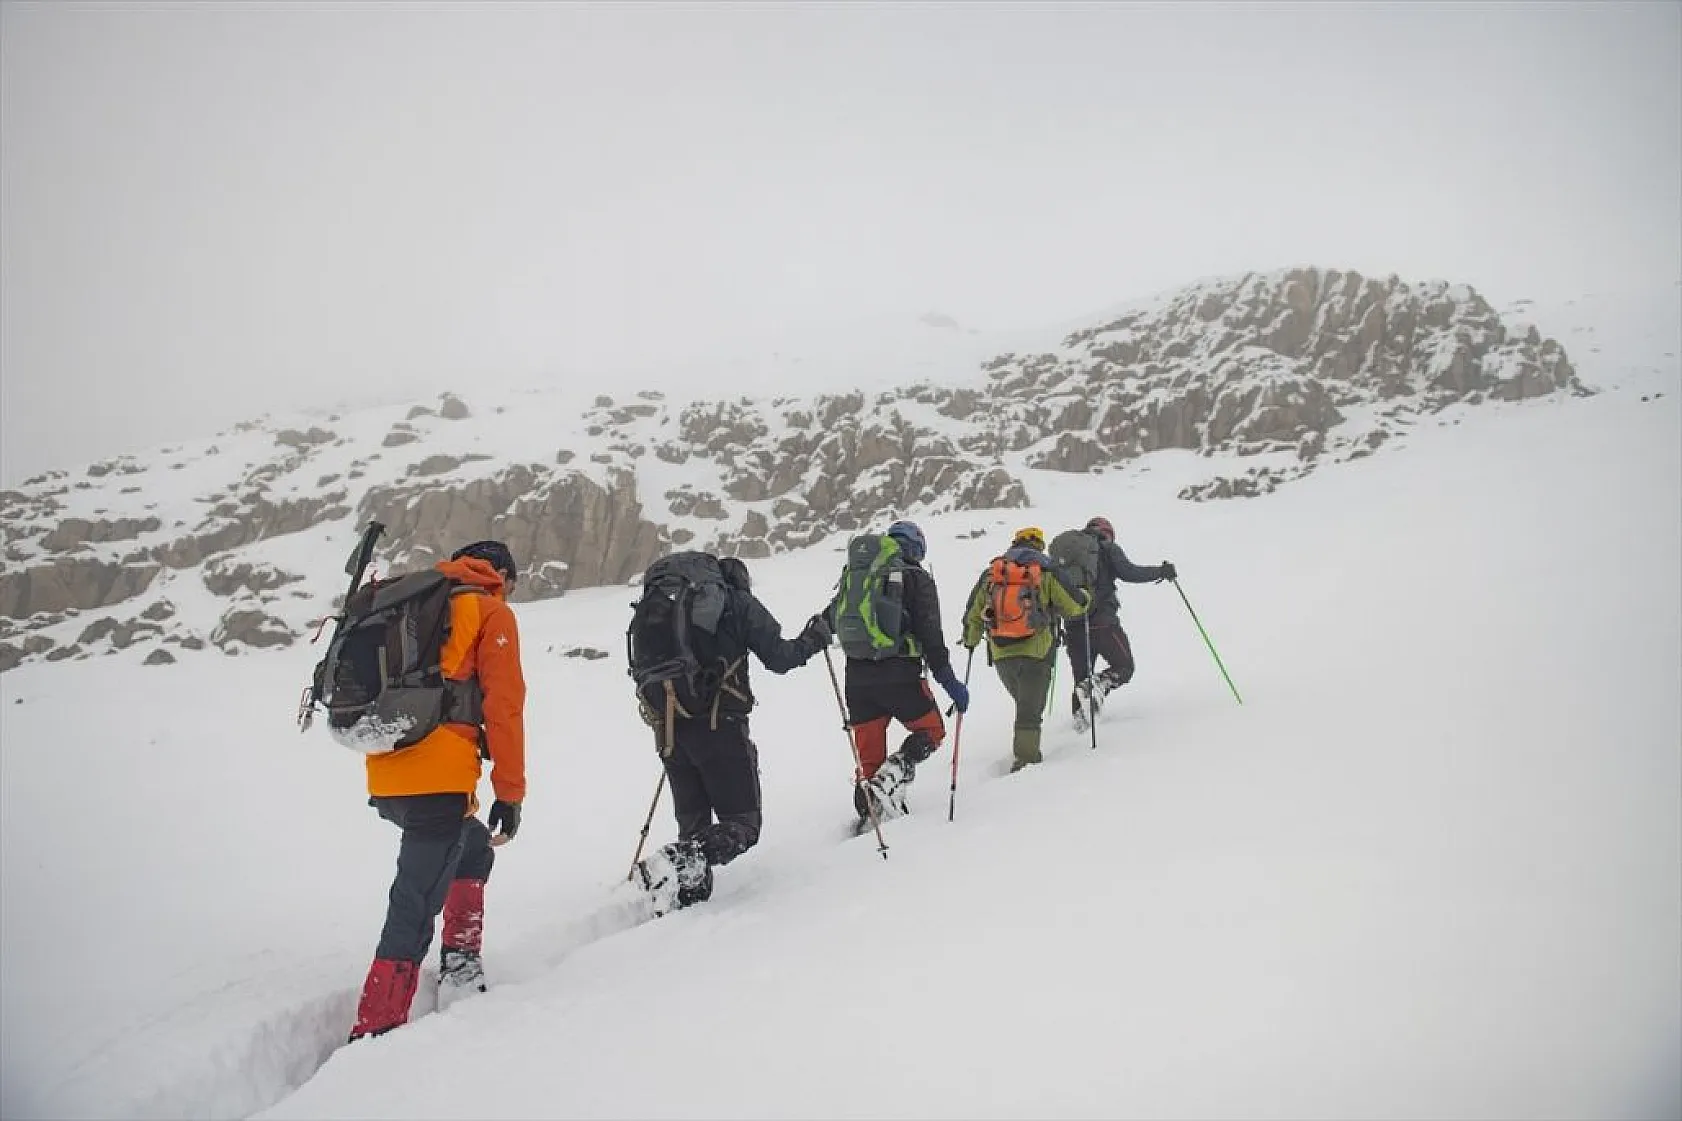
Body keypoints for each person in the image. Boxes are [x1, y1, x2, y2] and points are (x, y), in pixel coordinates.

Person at [349, 539, 527, 1043]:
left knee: (471, 847)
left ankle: (461, 959)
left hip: (388, 769)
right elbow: (504, 708)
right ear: (503, 576)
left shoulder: (420, 601)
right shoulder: (488, 609)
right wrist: (510, 793)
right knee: (415, 899)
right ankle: (375, 1028)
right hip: (438, 777)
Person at [634, 554, 831, 913]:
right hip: (719, 727)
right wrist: (816, 637)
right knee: (742, 824)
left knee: (694, 827)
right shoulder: (735, 601)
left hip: (670, 731)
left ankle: (684, 902)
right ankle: (679, 859)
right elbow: (780, 657)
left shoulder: (664, 605)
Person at [827, 520, 969, 823]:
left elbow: (830, 619)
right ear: (916, 547)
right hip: (900, 676)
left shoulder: (858, 579)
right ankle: (894, 773)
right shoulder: (916, 577)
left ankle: (869, 816)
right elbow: (932, 637)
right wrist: (950, 683)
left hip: (856, 680)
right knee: (931, 730)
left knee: (868, 762)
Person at [960, 527, 1089, 773]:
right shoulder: (1046, 571)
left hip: (1001, 654)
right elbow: (1074, 607)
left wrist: (970, 641)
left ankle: (1025, 756)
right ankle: (1026, 768)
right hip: (1036, 654)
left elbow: (973, 614)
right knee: (1029, 714)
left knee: (1025, 706)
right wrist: (1085, 596)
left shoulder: (994, 574)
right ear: (1039, 546)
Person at [1064, 516, 1176, 719]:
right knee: (1124, 666)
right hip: (1103, 624)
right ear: (1108, 533)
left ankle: (1079, 727)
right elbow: (1129, 572)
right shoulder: (1107, 547)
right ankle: (1099, 683)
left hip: (1073, 628)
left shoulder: (1068, 556)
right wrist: (1160, 571)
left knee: (1081, 681)